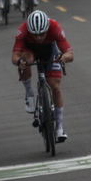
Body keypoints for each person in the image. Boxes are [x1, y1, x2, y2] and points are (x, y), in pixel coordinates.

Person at [12, 10, 74, 142]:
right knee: (25, 60)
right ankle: (29, 93)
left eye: (42, 34)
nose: (39, 37)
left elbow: (70, 54)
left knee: (55, 88)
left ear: (47, 28)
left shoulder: (55, 28)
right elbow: (14, 56)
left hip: (49, 51)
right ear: (29, 30)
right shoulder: (22, 31)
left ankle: (59, 128)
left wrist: (63, 57)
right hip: (30, 51)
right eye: (35, 34)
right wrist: (19, 62)